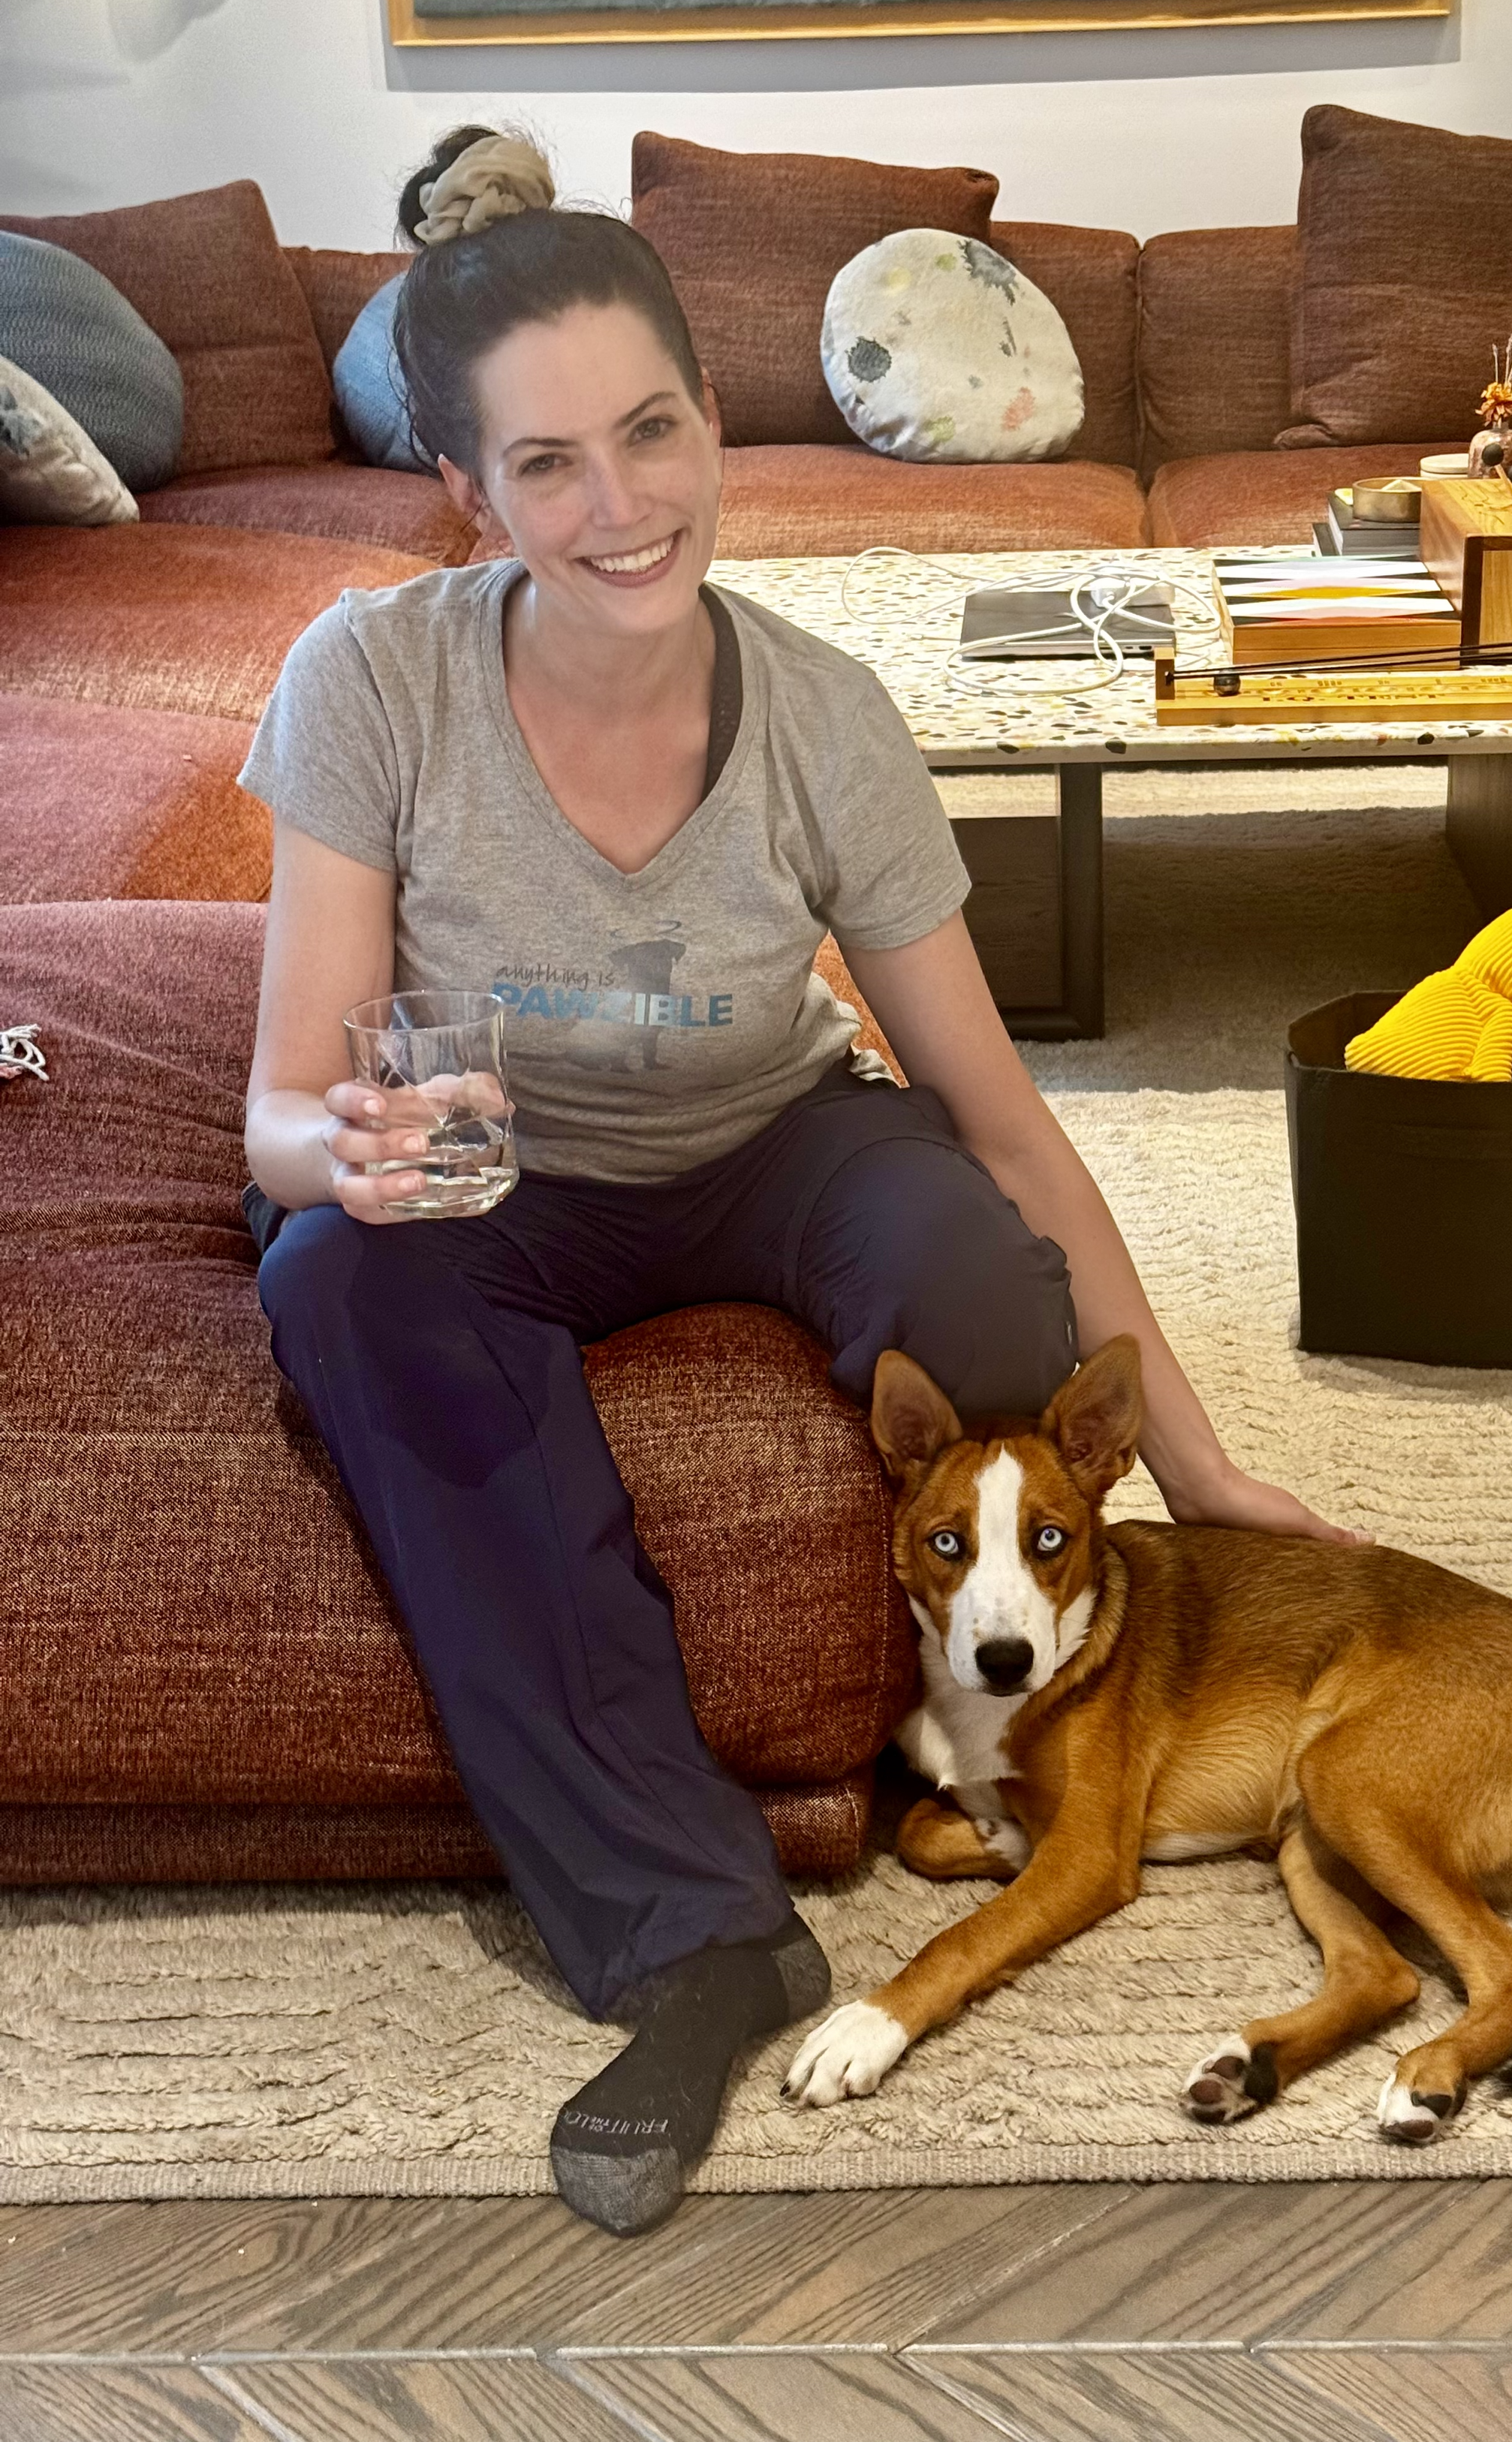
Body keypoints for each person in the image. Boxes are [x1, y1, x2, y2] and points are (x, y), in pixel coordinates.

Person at [240, 125, 1366, 2239]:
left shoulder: (829, 720)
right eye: (548, 463)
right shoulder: (366, 683)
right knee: (327, 1281)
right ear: (469, 495)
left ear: (708, 416)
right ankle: (694, 1933)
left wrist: (1200, 1457)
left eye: (652, 430)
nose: (622, 502)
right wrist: (347, 1154)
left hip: (772, 1132)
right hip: (502, 1174)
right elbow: (278, 1112)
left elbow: (999, 1112)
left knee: (985, 1278)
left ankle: (1010, 1753)